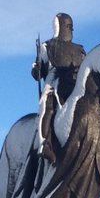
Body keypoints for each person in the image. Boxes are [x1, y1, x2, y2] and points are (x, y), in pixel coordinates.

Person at [32, 13, 85, 164]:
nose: (70, 30)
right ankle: (45, 143)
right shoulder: (47, 47)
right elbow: (39, 68)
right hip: (53, 80)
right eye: (68, 27)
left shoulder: (79, 50)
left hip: (75, 82)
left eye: (71, 27)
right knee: (46, 105)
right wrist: (37, 70)